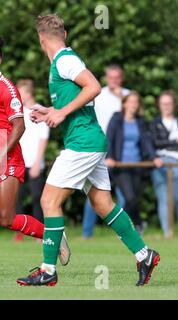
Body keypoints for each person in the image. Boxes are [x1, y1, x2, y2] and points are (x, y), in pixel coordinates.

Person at [17, 14, 160, 287]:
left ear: (41, 38)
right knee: (102, 204)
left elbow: (94, 87)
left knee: (49, 201)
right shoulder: (64, 60)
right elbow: (78, 100)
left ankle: (48, 270)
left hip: (83, 144)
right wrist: (51, 111)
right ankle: (144, 255)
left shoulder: (65, 60)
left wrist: (60, 112)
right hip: (89, 141)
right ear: (65, 34)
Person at [0, 34, 71, 277]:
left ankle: (53, 235)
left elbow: (19, 127)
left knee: (7, 219)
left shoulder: (8, 90)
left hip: (7, 161)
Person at [82, 65, 129, 239]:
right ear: (106, 78)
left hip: (121, 150)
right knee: (95, 193)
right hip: (100, 148)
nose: (114, 81)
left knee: (124, 193)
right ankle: (87, 233)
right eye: (111, 77)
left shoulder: (126, 95)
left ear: (121, 78)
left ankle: (123, 232)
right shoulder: (97, 93)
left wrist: (121, 97)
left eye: (117, 78)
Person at [106, 92, 163, 234]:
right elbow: (109, 138)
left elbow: (146, 142)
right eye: (130, 101)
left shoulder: (140, 121)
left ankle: (134, 225)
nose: (133, 105)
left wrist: (154, 157)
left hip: (138, 166)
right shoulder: (116, 118)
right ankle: (133, 225)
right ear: (124, 103)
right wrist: (109, 157)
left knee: (133, 199)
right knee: (129, 197)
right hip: (120, 166)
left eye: (136, 102)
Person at [15, 79, 49, 225]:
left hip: (35, 162)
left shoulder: (40, 110)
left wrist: (37, 162)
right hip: (19, 161)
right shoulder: (17, 112)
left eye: (20, 92)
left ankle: (39, 228)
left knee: (37, 197)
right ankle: (20, 230)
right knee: (17, 197)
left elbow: (43, 138)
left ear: (28, 93)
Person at [150, 90, 178, 238]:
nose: (166, 106)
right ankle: (168, 232)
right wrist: (173, 142)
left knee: (176, 197)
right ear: (159, 105)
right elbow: (154, 142)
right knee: (164, 198)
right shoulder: (155, 123)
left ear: (173, 105)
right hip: (161, 162)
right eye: (163, 103)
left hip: (176, 163)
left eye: (169, 103)